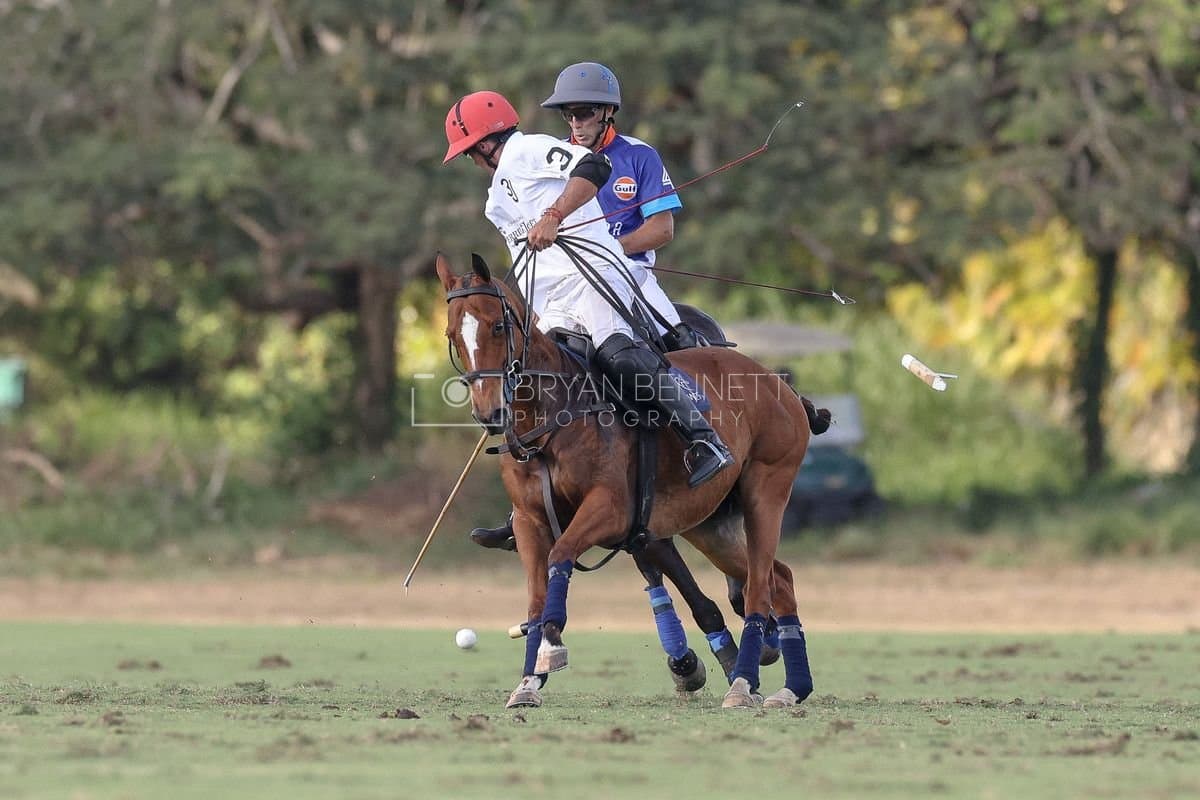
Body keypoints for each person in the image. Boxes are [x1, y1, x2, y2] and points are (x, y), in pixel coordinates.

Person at [442, 90, 732, 493]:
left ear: (487, 142)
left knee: (617, 354)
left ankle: (704, 439)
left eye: (470, 151)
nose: (471, 160)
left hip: (596, 276)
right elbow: (529, 262)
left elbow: (594, 165)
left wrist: (554, 215)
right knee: (540, 373)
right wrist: (533, 312)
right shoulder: (495, 201)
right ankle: (536, 495)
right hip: (555, 299)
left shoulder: (529, 150)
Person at [540, 62, 699, 352]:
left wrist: (609, 249)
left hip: (630, 273)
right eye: (568, 114)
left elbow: (662, 229)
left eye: (584, 113)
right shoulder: (551, 159)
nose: (576, 123)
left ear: (608, 111)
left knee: (681, 344)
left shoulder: (640, 155)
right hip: (568, 282)